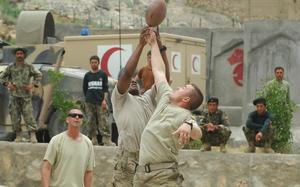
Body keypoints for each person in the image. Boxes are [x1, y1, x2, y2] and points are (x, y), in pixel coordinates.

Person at [134, 28, 203, 187]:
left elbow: (198, 134)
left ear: (186, 98)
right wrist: (153, 44)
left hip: (163, 176)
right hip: (142, 174)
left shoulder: (184, 115)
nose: (179, 87)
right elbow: (159, 70)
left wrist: (189, 124)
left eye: (184, 87)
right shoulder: (166, 96)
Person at [111, 27, 170, 187]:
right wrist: (141, 45)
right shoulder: (120, 99)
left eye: (134, 81)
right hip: (128, 159)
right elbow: (127, 74)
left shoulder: (148, 98)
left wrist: (159, 46)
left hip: (150, 159)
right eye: (128, 81)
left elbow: (163, 78)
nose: (132, 81)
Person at [41, 108, 95, 187]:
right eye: (73, 115)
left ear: (82, 121)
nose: (77, 117)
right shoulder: (56, 140)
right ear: (67, 119)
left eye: (80, 116)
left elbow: (88, 172)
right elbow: (46, 167)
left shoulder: (88, 144)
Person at [0, 47, 42, 143]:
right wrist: (8, 84)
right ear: (15, 55)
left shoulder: (29, 66)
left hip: (26, 96)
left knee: (29, 115)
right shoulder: (11, 67)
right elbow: (2, 77)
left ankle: (32, 135)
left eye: (21, 54)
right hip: (14, 96)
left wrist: (32, 85)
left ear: (24, 55)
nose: (19, 55)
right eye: (18, 54)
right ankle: (18, 135)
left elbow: (38, 75)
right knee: (15, 116)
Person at [83, 55, 113, 145]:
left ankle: (106, 139)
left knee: (103, 120)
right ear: (90, 63)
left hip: (100, 101)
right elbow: (85, 88)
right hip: (89, 102)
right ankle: (93, 138)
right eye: (92, 62)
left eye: (95, 62)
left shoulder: (103, 74)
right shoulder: (87, 75)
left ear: (98, 63)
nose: (94, 64)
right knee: (90, 120)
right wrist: (87, 98)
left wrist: (104, 100)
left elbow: (105, 89)